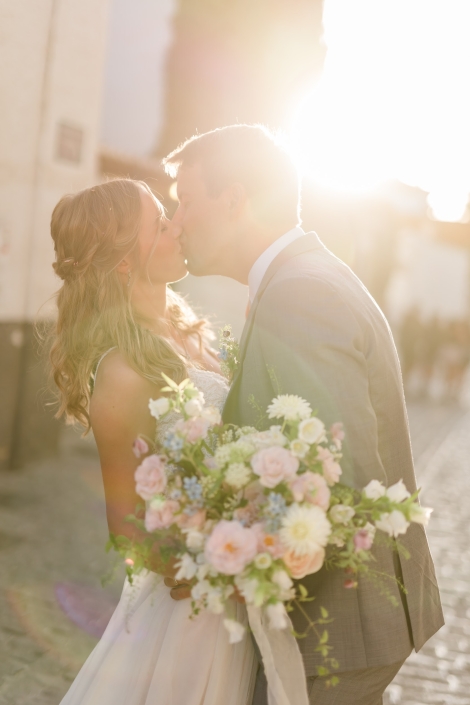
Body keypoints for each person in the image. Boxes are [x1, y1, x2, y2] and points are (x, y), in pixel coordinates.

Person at [163, 124, 444, 705]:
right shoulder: (301, 275)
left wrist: (220, 548)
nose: (178, 221)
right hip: (346, 620)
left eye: (185, 202)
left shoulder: (300, 292)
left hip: (335, 628)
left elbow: (332, 476)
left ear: (235, 200)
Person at [49, 178, 257, 705]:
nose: (178, 226)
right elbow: (128, 529)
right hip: (185, 608)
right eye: (161, 224)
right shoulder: (121, 370)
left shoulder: (191, 333)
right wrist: (219, 564)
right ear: (124, 260)